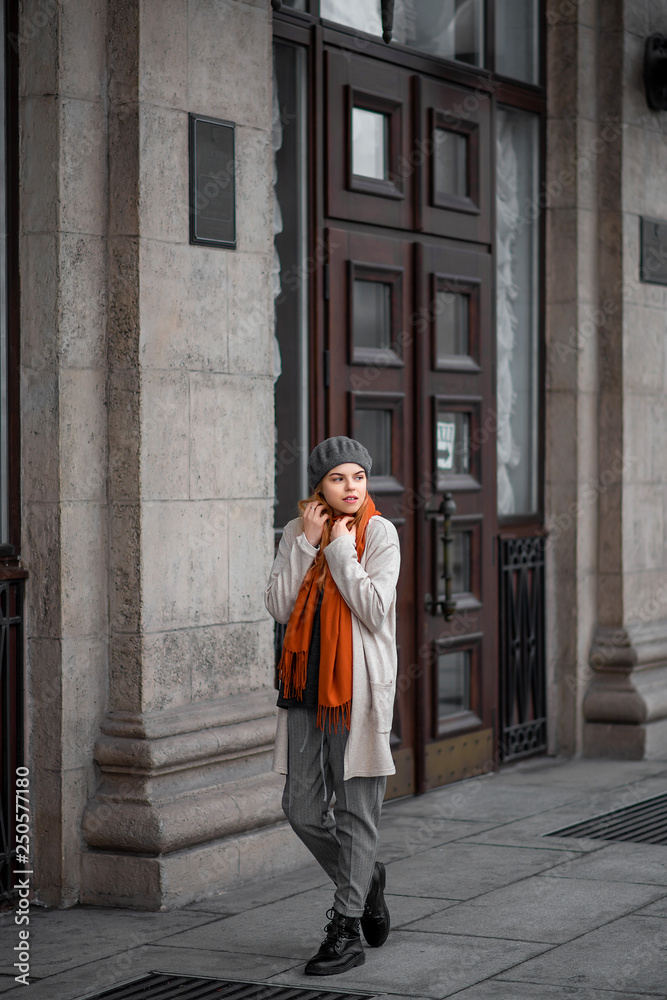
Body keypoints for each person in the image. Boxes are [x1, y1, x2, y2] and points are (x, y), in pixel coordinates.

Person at [265, 435, 401, 977]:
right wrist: (310, 543)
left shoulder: (380, 533)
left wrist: (341, 549)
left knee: (355, 810)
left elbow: (373, 608)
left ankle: (345, 929)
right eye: (339, 478)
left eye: (359, 477)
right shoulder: (298, 530)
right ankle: (365, 880)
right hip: (303, 688)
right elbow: (278, 606)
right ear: (319, 484)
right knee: (300, 808)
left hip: (357, 691)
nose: (351, 487)